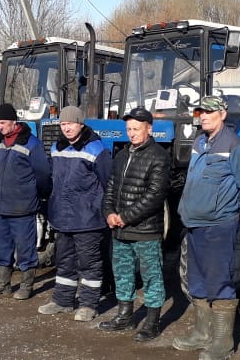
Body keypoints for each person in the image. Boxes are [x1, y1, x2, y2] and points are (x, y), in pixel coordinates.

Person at [173, 95, 240, 359]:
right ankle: (202, 332)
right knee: (196, 280)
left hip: (219, 225)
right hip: (194, 222)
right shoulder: (199, 142)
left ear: (223, 114)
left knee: (219, 280)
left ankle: (222, 342)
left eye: (210, 112)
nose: (204, 117)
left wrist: (232, 212)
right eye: (201, 112)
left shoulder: (234, 145)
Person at [99, 107, 170, 342]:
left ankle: (152, 322)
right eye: (129, 129)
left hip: (145, 230)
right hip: (120, 230)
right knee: (122, 273)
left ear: (149, 128)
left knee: (151, 277)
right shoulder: (121, 155)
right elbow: (111, 187)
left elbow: (154, 195)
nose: (131, 133)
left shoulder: (159, 156)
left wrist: (125, 217)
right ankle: (125, 316)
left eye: (136, 128)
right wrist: (109, 212)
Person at [37, 106, 112, 322]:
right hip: (62, 217)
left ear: (80, 124)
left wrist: (104, 210)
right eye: (63, 124)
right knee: (64, 261)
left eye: (70, 123)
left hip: (88, 218)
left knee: (89, 263)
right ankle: (62, 301)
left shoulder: (96, 149)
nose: (66, 128)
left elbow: (109, 182)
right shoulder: (56, 148)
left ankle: (88, 304)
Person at [0, 102, 52, 300]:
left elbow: (43, 174)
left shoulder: (31, 143)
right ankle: (3, 284)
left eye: (2, 123)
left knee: (25, 247)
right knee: (2, 247)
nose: (0, 127)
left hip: (22, 207)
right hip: (0, 206)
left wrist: (34, 194)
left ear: (14, 122)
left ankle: (26, 285)